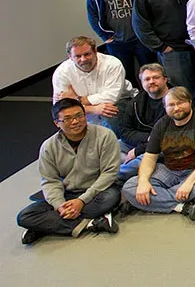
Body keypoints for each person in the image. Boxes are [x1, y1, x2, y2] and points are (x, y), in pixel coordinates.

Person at [17, 99, 120, 245]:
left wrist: (81, 201)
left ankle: (45, 226)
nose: (75, 122)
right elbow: (50, 180)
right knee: (25, 216)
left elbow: (109, 173)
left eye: (79, 116)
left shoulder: (105, 136)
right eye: (67, 119)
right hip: (67, 193)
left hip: (97, 192)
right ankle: (90, 223)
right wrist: (60, 205)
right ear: (57, 123)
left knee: (112, 197)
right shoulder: (49, 146)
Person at [122, 87, 195, 222]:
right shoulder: (161, 125)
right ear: (165, 107)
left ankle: (150, 202)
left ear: (190, 102)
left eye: (180, 103)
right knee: (130, 186)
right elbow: (149, 157)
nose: (176, 108)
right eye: (171, 105)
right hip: (170, 170)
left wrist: (189, 183)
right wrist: (143, 182)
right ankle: (182, 206)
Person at [87, 0, 155, 87]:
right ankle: (133, 99)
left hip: (140, 39)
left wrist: (148, 32)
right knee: (125, 77)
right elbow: (92, 13)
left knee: (151, 73)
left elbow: (153, 7)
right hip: (116, 41)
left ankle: (152, 98)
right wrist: (104, 36)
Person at [52, 36, 136, 125]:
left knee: (110, 117)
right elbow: (61, 108)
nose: (83, 59)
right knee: (66, 122)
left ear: (95, 51)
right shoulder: (61, 73)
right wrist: (94, 109)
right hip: (85, 111)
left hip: (120, 101)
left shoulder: (112, 64)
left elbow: (111, 97)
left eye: (87, 54)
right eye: (78, 56)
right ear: (70, 57)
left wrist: (77, 100)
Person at [108, 63, 168, 181]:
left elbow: (168, 137)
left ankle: (112, 176)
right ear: (141, 83)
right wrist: (147, 138)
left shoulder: (175, 101)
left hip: (162, 146)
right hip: (140, 142)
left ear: (165, 79)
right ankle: (125, 170)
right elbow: (124, 131)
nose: (151, 81)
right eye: (147, 79)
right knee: (111, 147)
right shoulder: (136, 102)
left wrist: (138, 150)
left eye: (156, 77)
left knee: (140, 160)